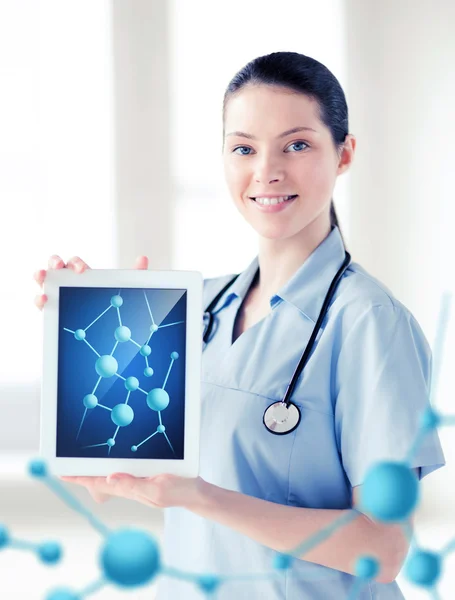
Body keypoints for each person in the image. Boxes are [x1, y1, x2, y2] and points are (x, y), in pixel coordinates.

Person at [34, 52, 445, 599]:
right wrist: (79, 335)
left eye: (296, 145)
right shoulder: (193, 309)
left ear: (344, 153)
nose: (267, 171)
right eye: (244, 148)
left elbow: (384, 551)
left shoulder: (369, 322)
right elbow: (110, 482)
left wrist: (200, 496)